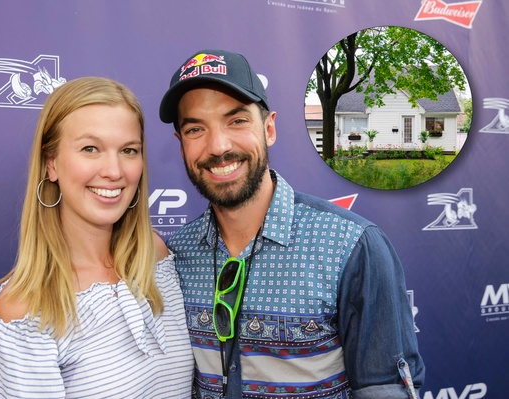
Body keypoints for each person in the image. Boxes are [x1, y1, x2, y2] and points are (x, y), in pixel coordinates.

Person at [159, 49, 425, 399]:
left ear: (269, 128)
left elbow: (385, 389)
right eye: (196, 129)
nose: (218, 146)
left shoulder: (351, 245)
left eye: (237, 121)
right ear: (181, 144)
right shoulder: (172, 257)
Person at [0, 77, 193, 398]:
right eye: (91, 148)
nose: (114, 171)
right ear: (51, 164)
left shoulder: (156, 258)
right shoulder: (26, 310)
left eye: (129, 150)